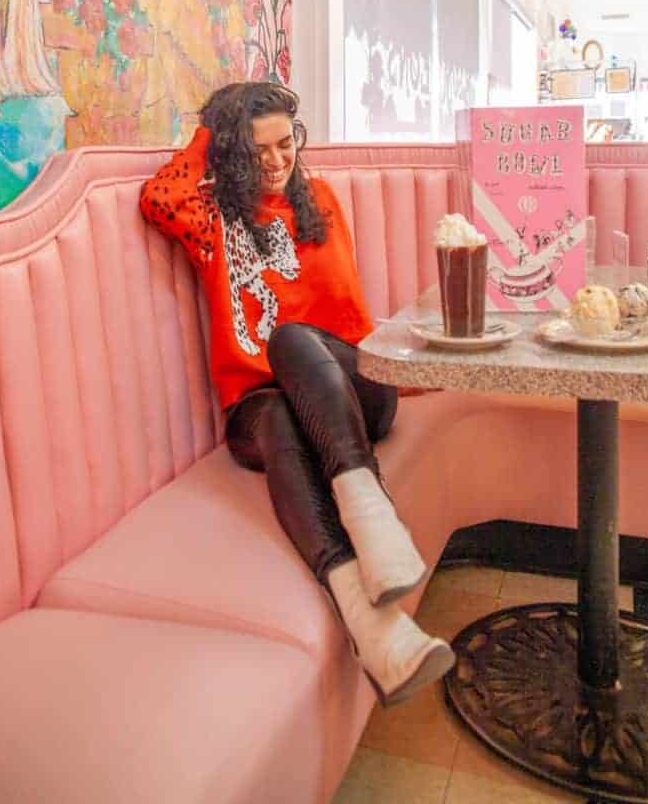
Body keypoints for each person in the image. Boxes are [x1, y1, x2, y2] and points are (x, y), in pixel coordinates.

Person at [139, 82, 455, 706]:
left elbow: (355, 323)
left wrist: (413, 372)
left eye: (286, 144)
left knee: (290, 339)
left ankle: (373, 517)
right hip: (260, 406)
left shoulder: (322, 203)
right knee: (280, 408)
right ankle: (377, 627)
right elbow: (159, 196)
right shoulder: (213, 222)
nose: (277, 160)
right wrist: (214, 130)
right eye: (256, 150)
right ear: (231, 153)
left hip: (352, 388)